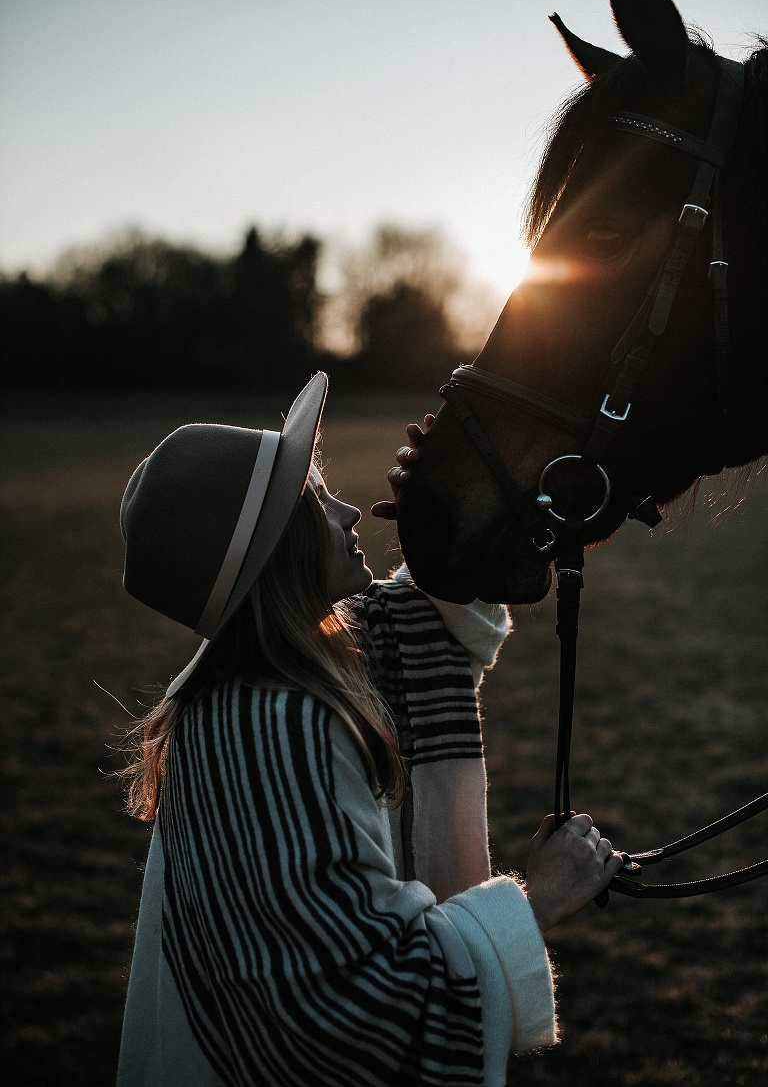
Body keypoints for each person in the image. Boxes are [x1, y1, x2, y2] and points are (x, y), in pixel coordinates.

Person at [116, 372, 623, 1087]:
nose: (351, 512)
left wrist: (443, 510)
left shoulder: (257, 685)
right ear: (276, 550)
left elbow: (435, 614)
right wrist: (536, 901)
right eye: (318, 501)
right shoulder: (279, 729)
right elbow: (364, 1009)